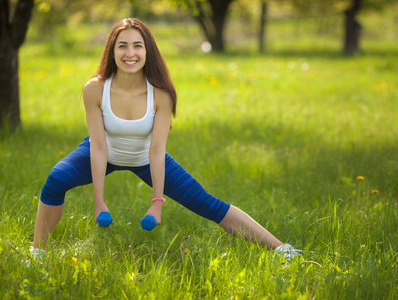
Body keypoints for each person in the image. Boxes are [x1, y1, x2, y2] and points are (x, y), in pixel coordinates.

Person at [30, 18, 301, 262]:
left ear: (148, 51)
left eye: (138, 46)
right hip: (103, 151)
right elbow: (98, 146)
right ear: (112, 51)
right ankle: (37, 254)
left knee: (206, 203)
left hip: (147, 158)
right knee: (56, 180)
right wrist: (99, 202)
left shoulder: (160, 94)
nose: (130, 53)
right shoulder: (95, 88)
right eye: (122, 46)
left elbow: (157, 150)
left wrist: (157, 202)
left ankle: (282, 250)